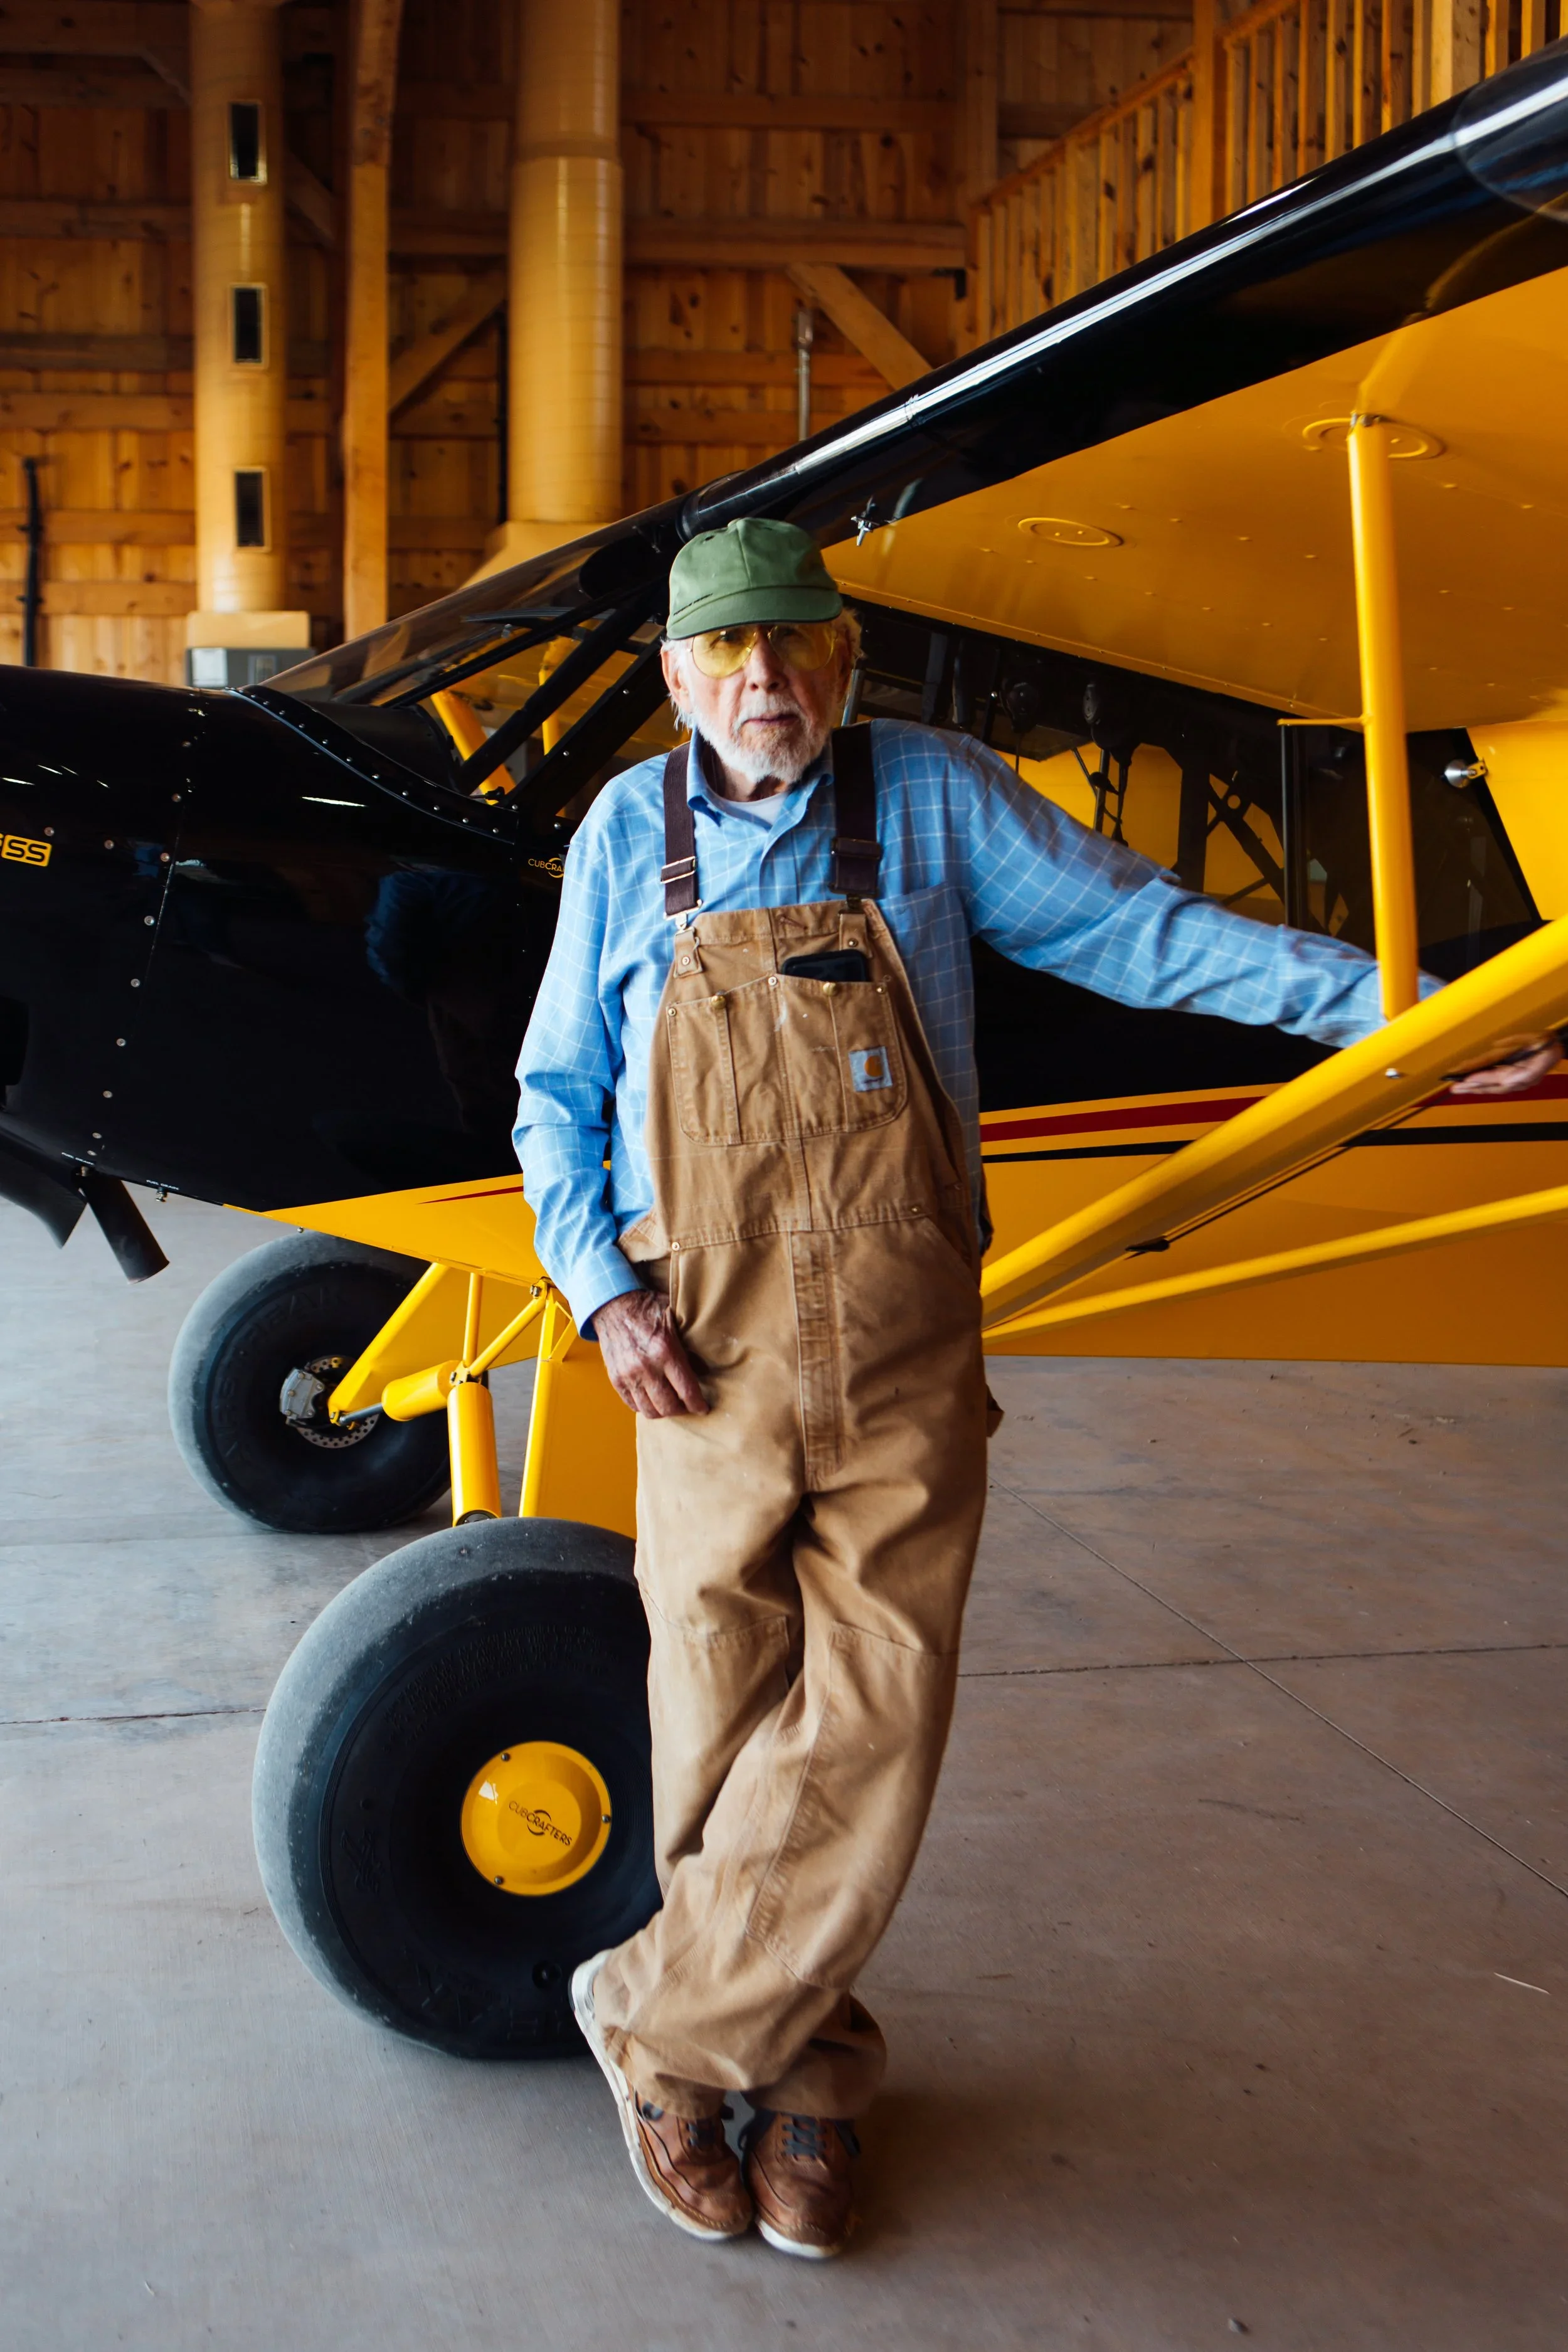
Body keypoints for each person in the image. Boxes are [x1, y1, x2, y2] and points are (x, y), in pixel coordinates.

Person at [513, 517, 1556, 2260]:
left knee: (876, 1718)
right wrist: (601, 1287)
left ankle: (661, 2028)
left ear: (841, 657)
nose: (764, 680)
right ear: (678, 678)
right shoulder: (631, 832)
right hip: (705, 1349)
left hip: (905, 1335)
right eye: (728, 653)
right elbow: (559, 1091)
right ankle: (805, 2073)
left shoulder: (932, 794)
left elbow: (1157, 939)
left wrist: (1408, 1023)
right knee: (714, 1720)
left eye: (793, 645)